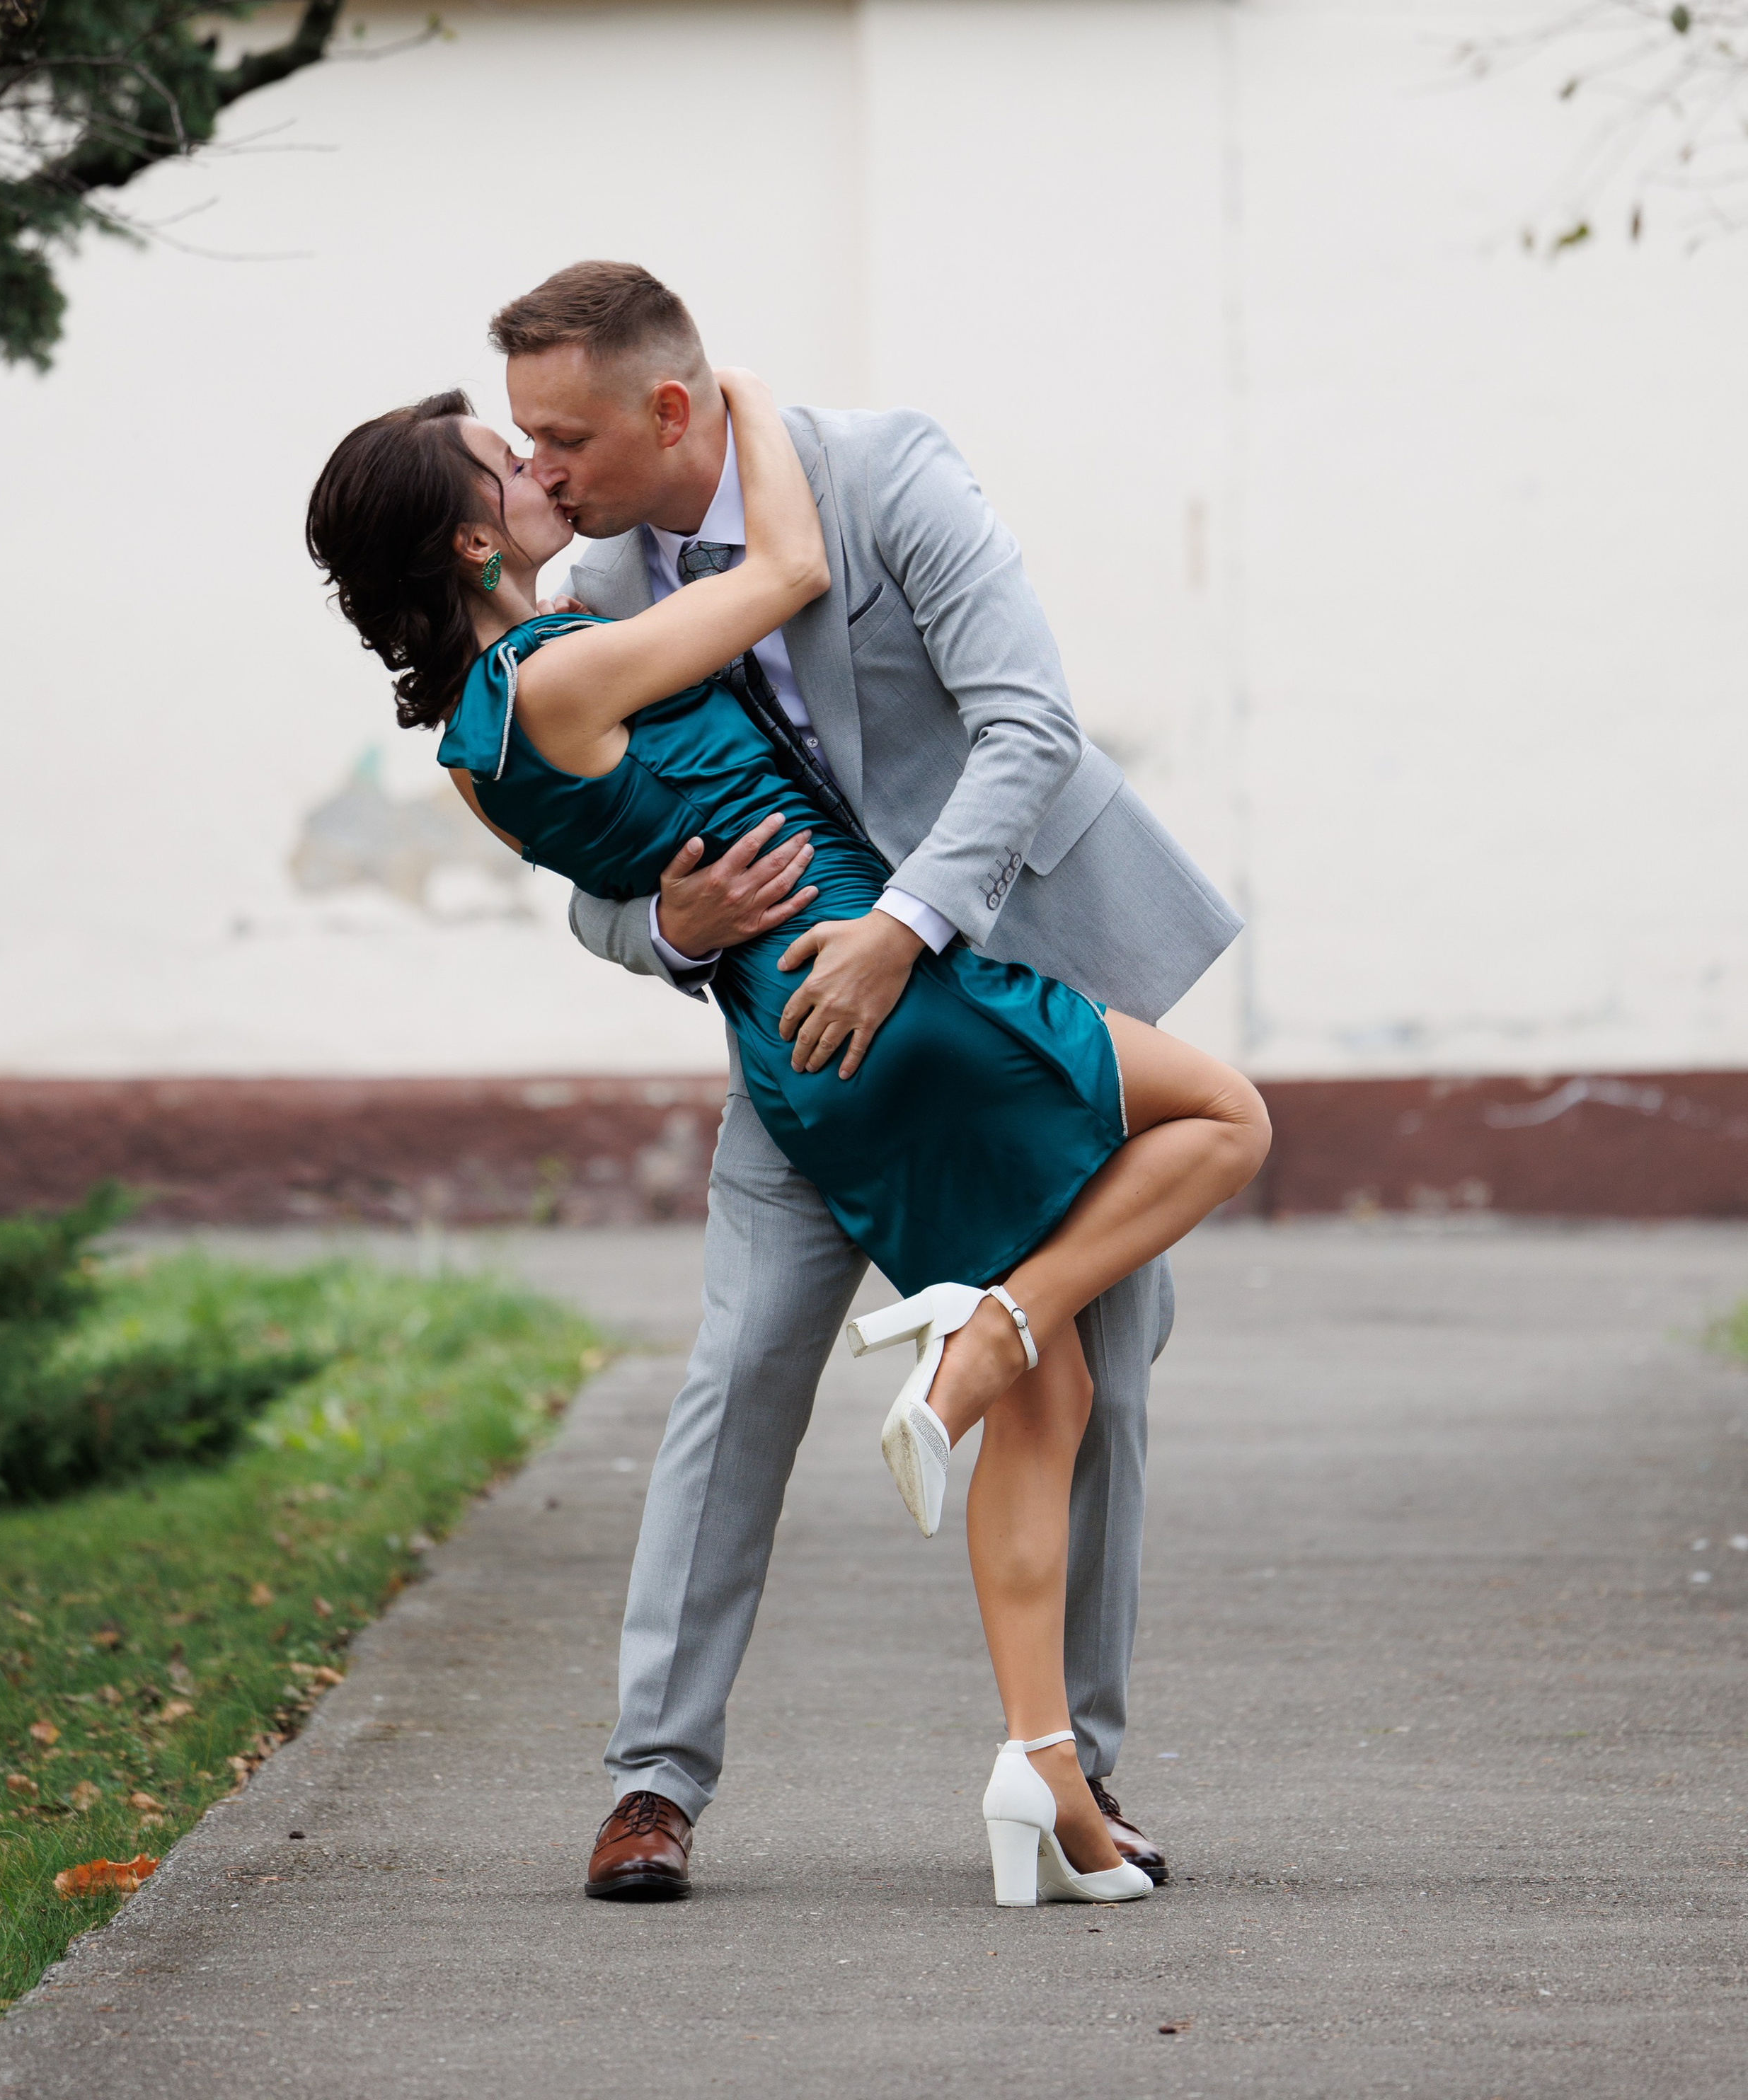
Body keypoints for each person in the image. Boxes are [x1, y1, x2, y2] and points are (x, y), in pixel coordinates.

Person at [308, 302, 1267, 1912]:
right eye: (514, 447)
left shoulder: (879, 474)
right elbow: (598, 888)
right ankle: (652, 1785)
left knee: (1100, 1371)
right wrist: (669, 930)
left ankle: (1073, 1762)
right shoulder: (595, 600)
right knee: (746, 1373)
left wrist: (903, 934)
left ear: (658, 405)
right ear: (478, 531)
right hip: (819, 1037)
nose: (543, 463)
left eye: (561, 436)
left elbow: (1026, 728)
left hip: (963, 963)